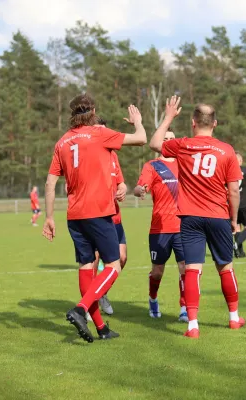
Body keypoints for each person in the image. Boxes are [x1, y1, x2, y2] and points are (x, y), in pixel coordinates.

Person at [42, 93, 146, 343]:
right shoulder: (99, 133)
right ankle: (81, 309)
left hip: (74, 215)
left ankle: (100, 328)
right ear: (93, 111)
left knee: (87, 267)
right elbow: (142, 139)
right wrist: (137, 121)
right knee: (113, 265)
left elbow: (50, 182)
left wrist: (48, 218)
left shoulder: (62, 142)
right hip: (98, 212)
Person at [149, 96, 245, 339]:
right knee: (225, 267)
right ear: (215, 123)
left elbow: (154, 143)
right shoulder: (226, 150)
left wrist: (169, 117)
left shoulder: (183, 145)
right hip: (218, 215)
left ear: (193, 123)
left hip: (190, 217)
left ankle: (193, 325)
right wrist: (234, 220)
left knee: (192, 269)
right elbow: (233, 190)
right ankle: (234, 318)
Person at [133, 129, 187, 322]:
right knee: (157, 271)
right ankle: (153, 299)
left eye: (173, 139)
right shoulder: (152, 166)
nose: (170, 142)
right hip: (160, 227)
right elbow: (139, 188)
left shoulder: (185, 164)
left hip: (183, 226)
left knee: (184, 268)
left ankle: (184, 308)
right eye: (165, 139)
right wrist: (140, 190)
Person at [93, 118, 128, 317]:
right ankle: (90, 305)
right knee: (95, 261)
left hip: (116, 218)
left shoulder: (113, 155)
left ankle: (101, 294)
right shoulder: (92, 157)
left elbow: (121, 183)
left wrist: (122, 190)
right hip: (97, 218)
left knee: (122, 258)